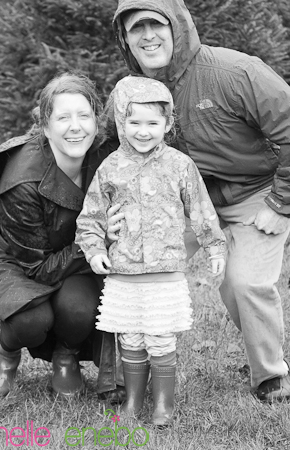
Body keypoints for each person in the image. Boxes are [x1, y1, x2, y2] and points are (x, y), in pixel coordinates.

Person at [111, 0, 290, 403]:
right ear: (125, 39)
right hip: (187, 202)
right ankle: (124, 373)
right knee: (135, 264)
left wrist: (281, 204)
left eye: (156, 24)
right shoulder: (134, 92)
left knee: (242, 283)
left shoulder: (234, 72)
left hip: (256, 193)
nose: (148, 36)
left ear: (177, 25)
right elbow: (107, 148)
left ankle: (270, 374)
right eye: (137, 29)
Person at [75, 76, 226, 426]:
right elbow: (91, 217)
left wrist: (215, 247)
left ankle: (163, 404)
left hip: (164, 273)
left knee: (159, 338)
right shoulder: (111, 167)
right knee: (130, 337)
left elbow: (201, 209)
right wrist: (95, 249)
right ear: (121, 122)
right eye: (134, 123)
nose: (143, 132)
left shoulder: (179, 165)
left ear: (168, 124)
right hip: (125, 273)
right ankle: (132, 401)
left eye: (152, 124)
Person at [0, 72, 125, 402]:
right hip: (23, 264)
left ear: (96, 122)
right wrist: (95, 240)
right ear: (45, 125)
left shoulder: (107, 156)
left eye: (84, 116)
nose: (75, 127)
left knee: (80, 310)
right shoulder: (21, 180)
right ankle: (6, 352)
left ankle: (66, 355)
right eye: (63, 118)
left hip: (78, 261)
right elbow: (37, 268)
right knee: (31, 319)